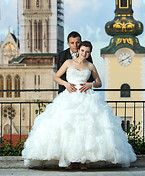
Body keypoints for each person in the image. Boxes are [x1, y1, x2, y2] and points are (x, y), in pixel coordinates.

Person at [22, 41, 136, 169]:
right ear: (78, 50)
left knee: (85, 129)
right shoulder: (68, 63)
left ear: (89, 53)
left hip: (86, 97)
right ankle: (70, 161)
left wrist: (90, 84)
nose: (84, 53)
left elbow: (99, 82)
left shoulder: (91, 66)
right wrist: (65, 84)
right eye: (82, 50)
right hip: (69, 97)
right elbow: (56, 77)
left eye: (87, 51)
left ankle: (83, 161)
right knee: (69, 128)